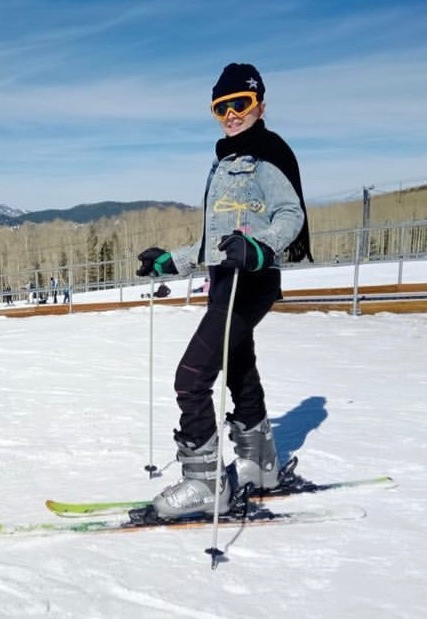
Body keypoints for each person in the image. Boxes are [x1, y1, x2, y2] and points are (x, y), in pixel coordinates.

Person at [135, 63, 311, 520]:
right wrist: (168, 261)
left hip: (250, 282)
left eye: (241, 104)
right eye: (221, 107)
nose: (232, 114)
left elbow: (291, 215)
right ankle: (261, 464)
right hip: (226, 284)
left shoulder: (267, 155)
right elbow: (216, 241)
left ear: (260, 106)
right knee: (238, 367)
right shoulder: (225, 161)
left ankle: (207, 484)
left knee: (191, 380)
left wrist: (259, 246)